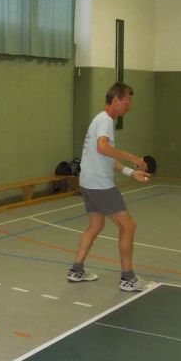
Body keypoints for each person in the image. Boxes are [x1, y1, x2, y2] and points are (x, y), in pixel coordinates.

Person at [66, 82, 152, 292]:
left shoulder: (100, 120)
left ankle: (76, 270)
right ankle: (128, 278)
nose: (128, 105)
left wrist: (131, 172)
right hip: (100, 184)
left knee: (96, 225)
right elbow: (103, 148)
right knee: (128, 226)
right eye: (126, 101)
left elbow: (106, 157)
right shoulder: (105, 120)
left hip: (88, 182)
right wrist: (134, 158)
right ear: (115, 100)